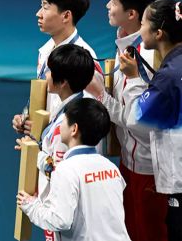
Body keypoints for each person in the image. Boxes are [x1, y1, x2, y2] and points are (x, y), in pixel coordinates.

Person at [100, 0, 168, 241]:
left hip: (150, 171)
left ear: (132, 14)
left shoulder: (151, 57)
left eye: (113, 1)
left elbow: (140, 121)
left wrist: (101, 97)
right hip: (129, 165)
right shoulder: (125, 47)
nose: (107, 5)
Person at [17, 98, 130, 241]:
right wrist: (35, 153)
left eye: (63, 121)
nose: (59, 126)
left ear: (74, 129)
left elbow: (60, 221)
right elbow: (67, 173)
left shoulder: (66, 170)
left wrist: (31, 205)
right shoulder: (111, 168)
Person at [117, 0, 182, 241]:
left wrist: (133, 79)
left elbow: (137, 118)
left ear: (158, 32)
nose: (139, 30)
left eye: (143, 23)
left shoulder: (169, 76)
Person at [12, 0, 100, 134]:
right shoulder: (45, 51)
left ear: (66, 16)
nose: (38, 14)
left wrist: (47, 131)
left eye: (45, 7)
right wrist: (26, 116)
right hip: (47, 146)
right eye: (41, 6)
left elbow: (89, 116)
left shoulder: (85, 58)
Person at [15, 44, 95, 212]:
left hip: (58, 206)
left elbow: (57, 172)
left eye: (50, 71)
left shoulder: (67, 125)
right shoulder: (77, 105)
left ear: (63, 82)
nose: (46, 75)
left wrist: (32, 153)